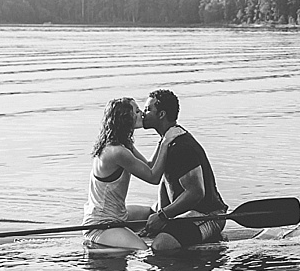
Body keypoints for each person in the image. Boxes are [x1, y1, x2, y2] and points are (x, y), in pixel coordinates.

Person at [141, 89, 228, 252]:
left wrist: (162, 216)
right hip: (186, 214)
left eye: (147, 109)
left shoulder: (180, 147)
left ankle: (206, 251)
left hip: (209, 216)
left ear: (161, 114)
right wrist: (163, 214)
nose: (143, 114)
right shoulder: (167, 140)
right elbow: (161, 180)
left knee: (161, 245)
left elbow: (196, 192)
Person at [83, 97, 174, 251]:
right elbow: (153, 177)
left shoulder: (124, 144)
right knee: (144, 250)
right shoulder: (116, 152)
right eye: (137, 111)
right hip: (101, 226)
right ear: (125, 118)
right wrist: (166, 143)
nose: (142, 114)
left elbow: (150, 166)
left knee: (154, 213)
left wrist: (163, 138)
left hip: (119, 215)